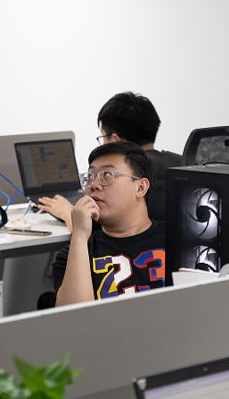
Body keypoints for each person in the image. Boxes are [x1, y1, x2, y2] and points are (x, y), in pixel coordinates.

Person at [39, 91, 182, 227]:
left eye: (102, 137)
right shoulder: (181, 163)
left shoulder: (128, 178)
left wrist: (66, 212)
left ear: (115, 140)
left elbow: (86, 230)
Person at [52, 142, 166, 306]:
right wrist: (79, 236)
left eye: (107, 175)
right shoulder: (76, 254)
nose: (94, 186)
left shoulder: (175, 240)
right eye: (89, 177)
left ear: (140, 187)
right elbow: (73, 317)